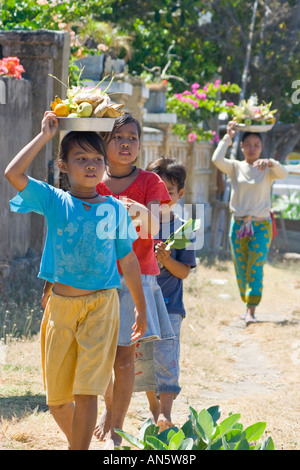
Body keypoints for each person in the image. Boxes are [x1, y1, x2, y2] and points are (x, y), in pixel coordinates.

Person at [4, 110, 147, 450]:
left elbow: (127, 259)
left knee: (87, 391)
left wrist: (140, 309)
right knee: (56, 400)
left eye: (97, 158)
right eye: (80, 158)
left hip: (102, 305)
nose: (90, 165)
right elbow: (13, 172)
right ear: (63, 166)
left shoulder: (113, 209)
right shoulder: (54, 201)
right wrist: (44, 136)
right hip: (60, 309)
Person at [94, 113, 175, 448]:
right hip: (95, 278)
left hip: (136, 279)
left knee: (125, 357)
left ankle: (117, 426)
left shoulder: (150, 183)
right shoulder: (92, 179)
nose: (126, 144)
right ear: (104, 142)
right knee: (99, 356)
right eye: (118, 137)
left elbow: (158, 226)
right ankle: (108, 407)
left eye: (132, 137)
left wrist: (132, 209)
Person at [134, 156, 197, 431]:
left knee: (167, 358)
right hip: (141, 304)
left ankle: (167, 413)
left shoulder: (182, 228)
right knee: (144, 358)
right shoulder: (138, 225)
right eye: (154, 191)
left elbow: (184, 272)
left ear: (180, 194)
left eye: (168, 192)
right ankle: (153, 408)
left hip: (170, 306)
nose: (160, 198)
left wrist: (167, 260)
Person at [212, 121, 288, 325]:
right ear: (243, 146)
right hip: (237, 225)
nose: (252, 148)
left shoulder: (267, 169)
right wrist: (228, 137)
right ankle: (246, 302)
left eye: (256, 144)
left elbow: (283, 173)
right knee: (241, 266)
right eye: (248, 144)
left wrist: (271, 162)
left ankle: (251, 310)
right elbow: (217, 159)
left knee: (255, 265)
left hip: (261, 225)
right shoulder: (236, 167)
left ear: (261, 147)